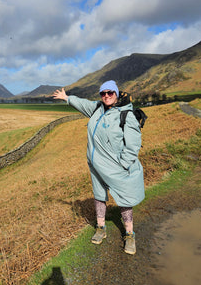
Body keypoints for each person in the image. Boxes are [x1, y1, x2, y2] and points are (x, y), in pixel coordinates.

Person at [53, 80, 145, 255]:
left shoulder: (126, 115)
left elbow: (133, 145)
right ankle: (101, 228)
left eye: (110, 93)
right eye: (103, 93)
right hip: (96, 165)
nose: (106, 96)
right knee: (99, 196)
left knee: (125, 199)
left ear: (117, 93)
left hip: (116, 167)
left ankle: (130, 235)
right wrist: (67, 98)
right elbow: (83, 104)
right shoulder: (97, 108)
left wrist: (123, 164)